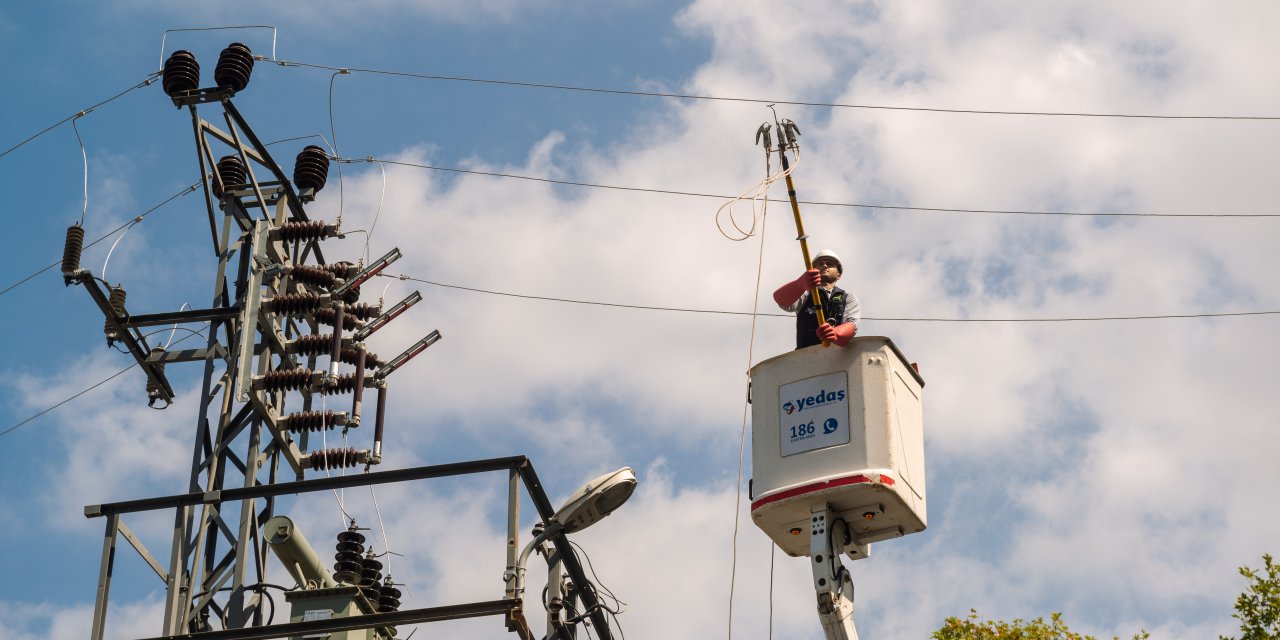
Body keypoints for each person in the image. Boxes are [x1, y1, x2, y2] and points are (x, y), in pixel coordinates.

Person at [772, 249, 860, 349]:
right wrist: (800, 284)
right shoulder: (805, 293)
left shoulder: (848, 298)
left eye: (830, 264)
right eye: (820, 264)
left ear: (838, 275)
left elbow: (852, 324)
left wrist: (835, 333)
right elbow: (782, 300)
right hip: (807, 355)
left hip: (837, 356)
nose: (825, 266)